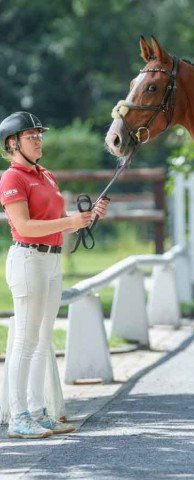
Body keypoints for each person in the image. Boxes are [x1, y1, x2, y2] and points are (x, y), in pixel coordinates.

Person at [0, 112, 109, 439]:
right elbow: (25, 226)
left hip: (50, 261)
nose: (38, 140)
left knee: (42, 340)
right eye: (31, 136)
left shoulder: (46, 175)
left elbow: (58, 219)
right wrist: (70, 222)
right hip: (28, 260)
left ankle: (37, 411)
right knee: (25, 340)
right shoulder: (11, 178)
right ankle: (18, 416)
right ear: (12, 143)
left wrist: (88, 218)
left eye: (39, 135)